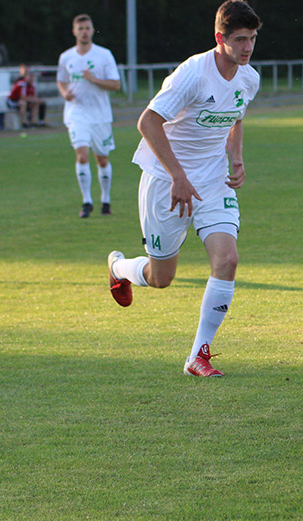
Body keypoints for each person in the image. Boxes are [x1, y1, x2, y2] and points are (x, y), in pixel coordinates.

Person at [106, 0, 261, 377]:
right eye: (240, 39)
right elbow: (147, 122)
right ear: (219, 37)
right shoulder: (193, 74)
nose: (247, 48)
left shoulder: (249, 77)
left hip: (212, 180)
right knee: (162, 279)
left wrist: (236, 158)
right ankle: (118, 267)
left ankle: (198, 356)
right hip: (165, 182)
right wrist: (177, 175)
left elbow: (235, 119)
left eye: (253, 39)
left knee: (227, 260)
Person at [57, 14, 120, 218]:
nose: (84, 32)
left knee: (102, 159)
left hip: (100, 115)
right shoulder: (66, 57)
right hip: (77, 114)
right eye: (80, 28)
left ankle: (106, 200)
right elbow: (61, 81)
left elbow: (115, 84)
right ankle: (86, 202)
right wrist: (64, 92)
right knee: (82, 155)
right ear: (74, 32)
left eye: (87, 28)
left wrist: (94, 79)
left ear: (92, 31)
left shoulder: (104, 55)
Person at [9, 63, 47, 128]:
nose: (31, 79)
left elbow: (33, 97)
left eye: (32, 77)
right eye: (29, 77)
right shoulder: (22, 84)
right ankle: (24, 123)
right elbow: (22, 97)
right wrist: (35, 100)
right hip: (13, 101)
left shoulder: (32, 86)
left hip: (24, 101)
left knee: (36, 103)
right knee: (23, 103)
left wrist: (37, 100)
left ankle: (33, 123)